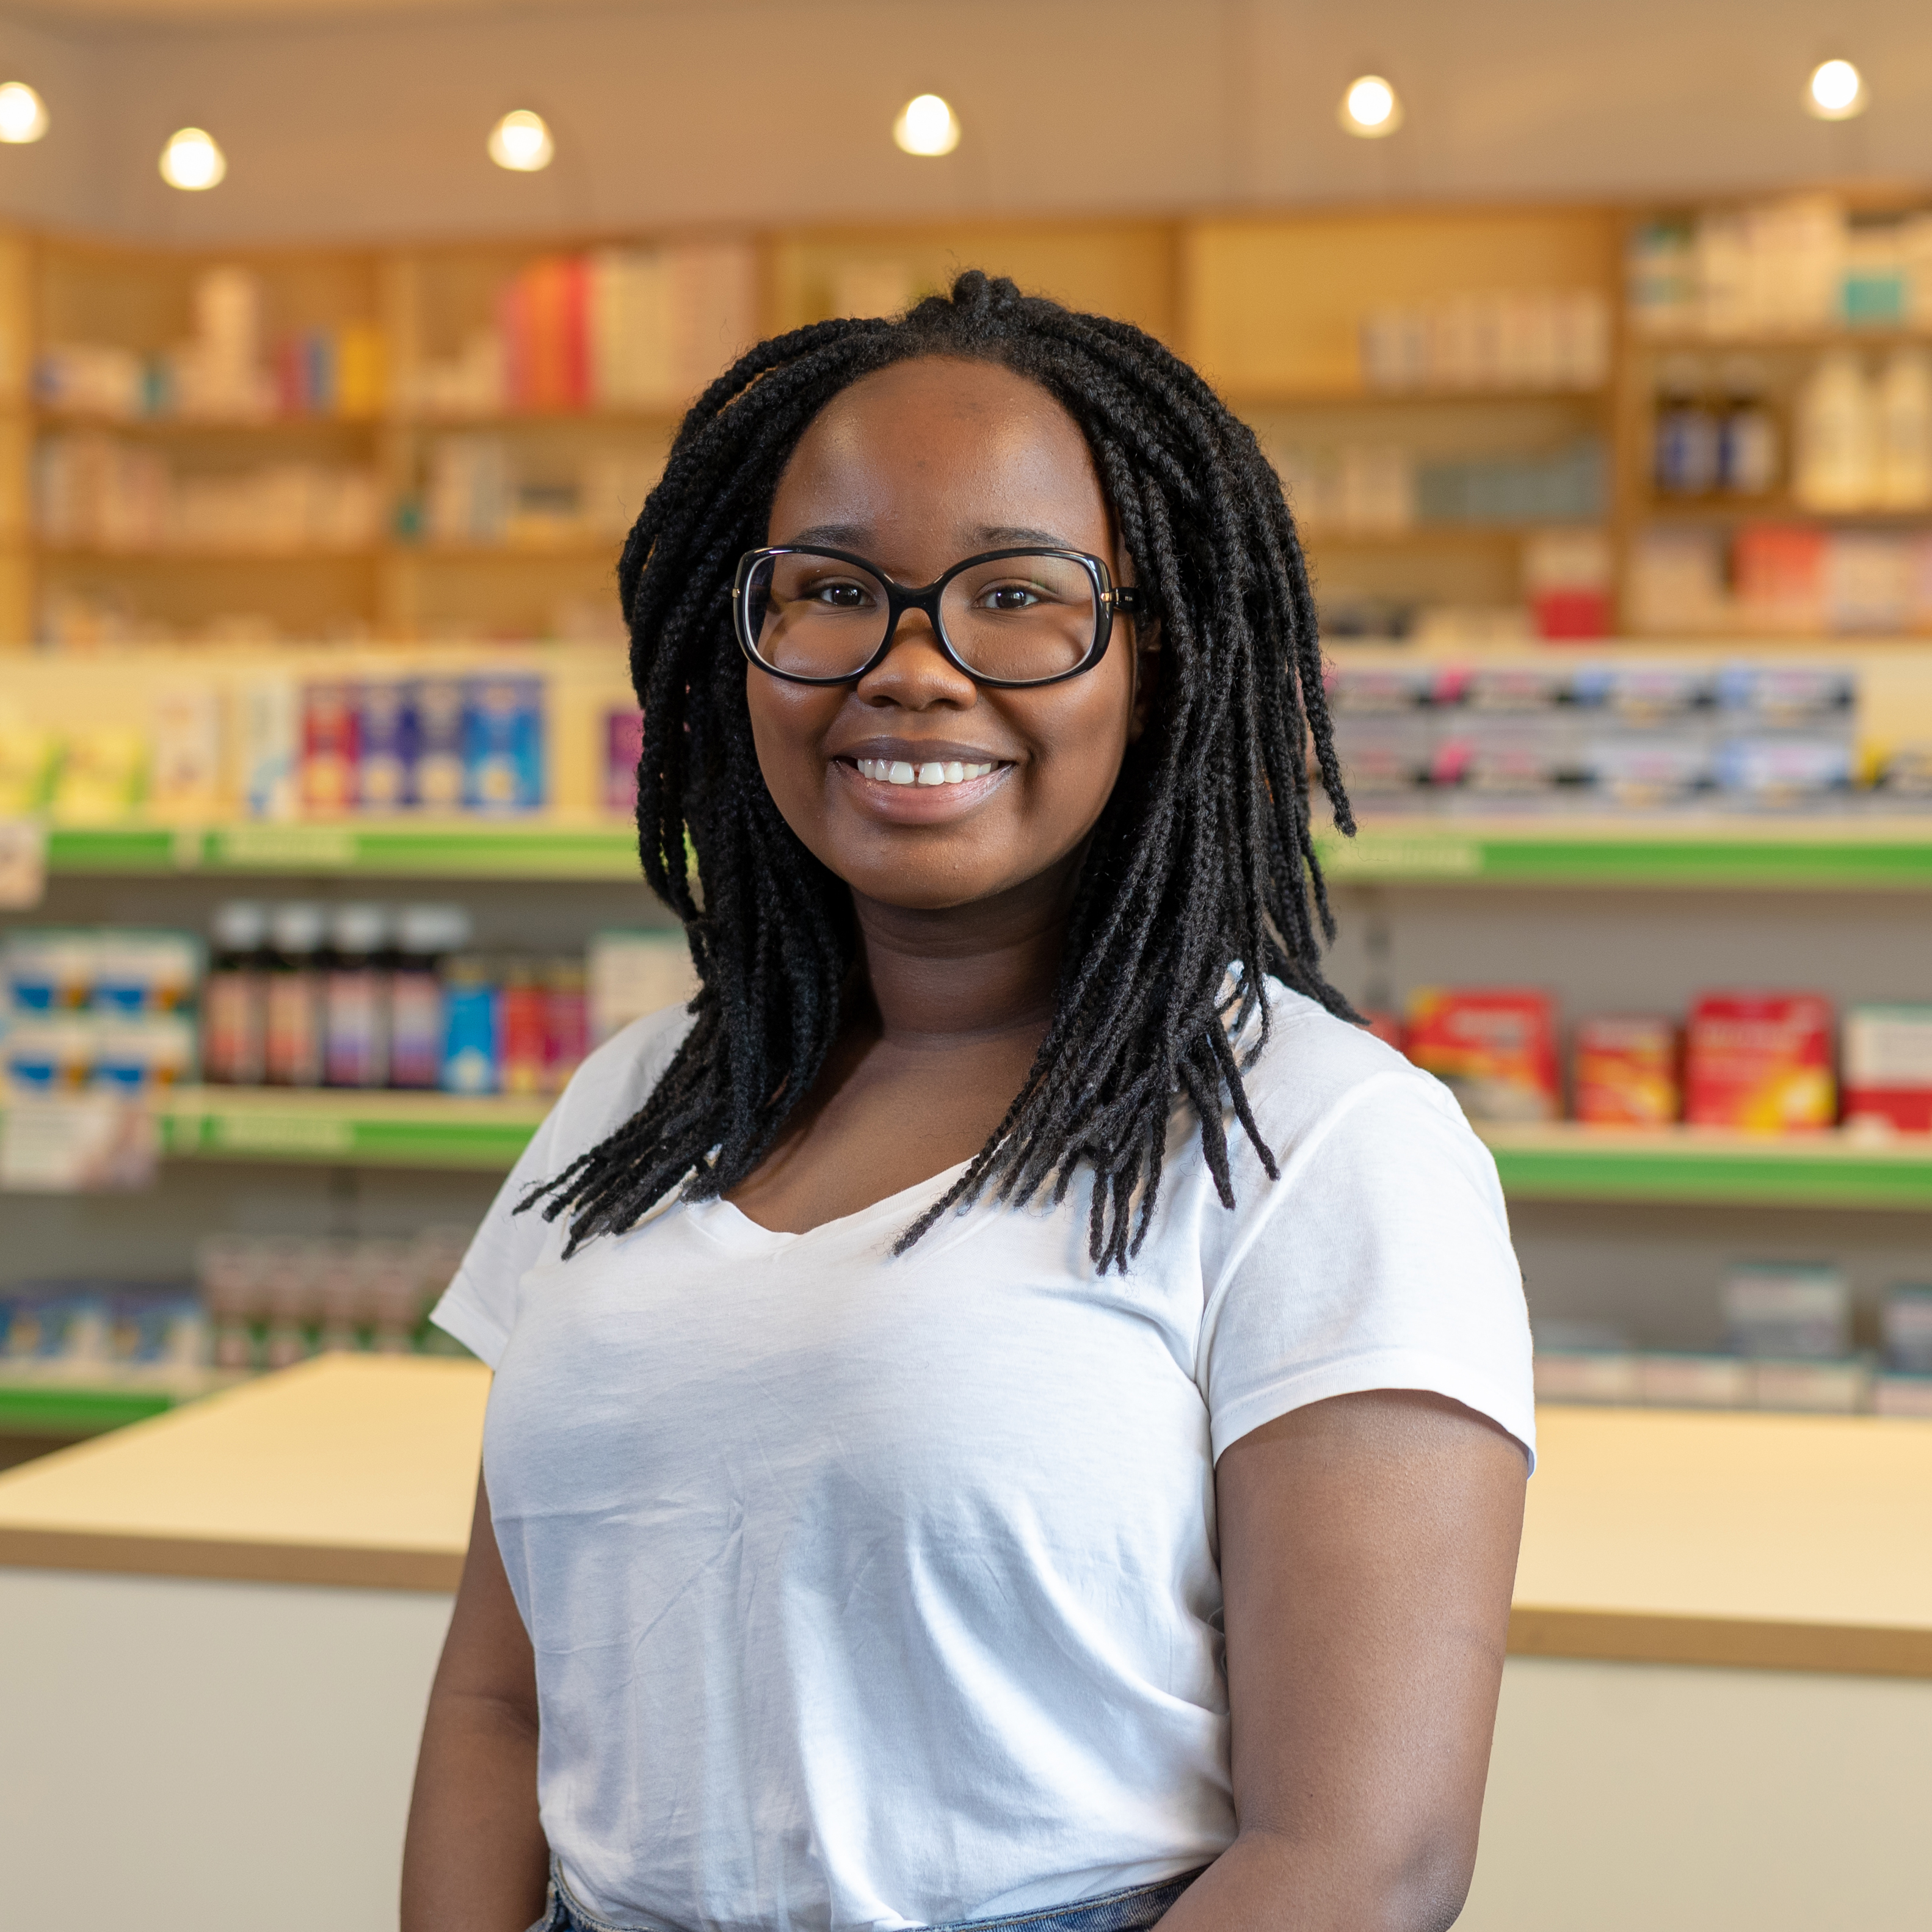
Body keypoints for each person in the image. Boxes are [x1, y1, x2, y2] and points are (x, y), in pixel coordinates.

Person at [402, 271, 1532, 1932]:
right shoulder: (632, 1104)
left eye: (1017, 595)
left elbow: (1363, 1858)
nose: (912, 668)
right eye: (830, 591)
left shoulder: (1317, 1139)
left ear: (1158, 655)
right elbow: (501, 1705)